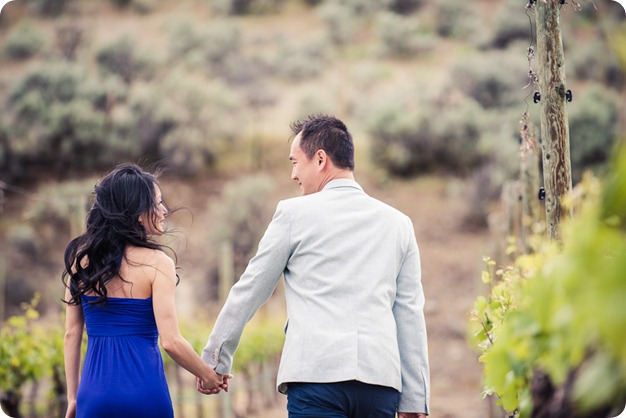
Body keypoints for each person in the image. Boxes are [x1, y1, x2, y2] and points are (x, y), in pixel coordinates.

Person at [199, 115, 430, 417]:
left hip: (317, 379)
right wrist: (415, 399)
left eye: (295, 162)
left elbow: (252, 288)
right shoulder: (399, 224)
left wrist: (214, 361)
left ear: (320, 159)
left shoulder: (293, 214)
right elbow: (409, 312)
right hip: (379, 384)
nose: (293, 175)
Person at [62, 163, 229, 418]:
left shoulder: (81, 261)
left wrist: (74, 398)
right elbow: (171, 341)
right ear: (138, 212)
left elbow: (71, 334)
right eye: (158, 203)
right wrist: (208, 376)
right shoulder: (158, 264)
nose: (163, 211)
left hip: (93, 395)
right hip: (145, 393)